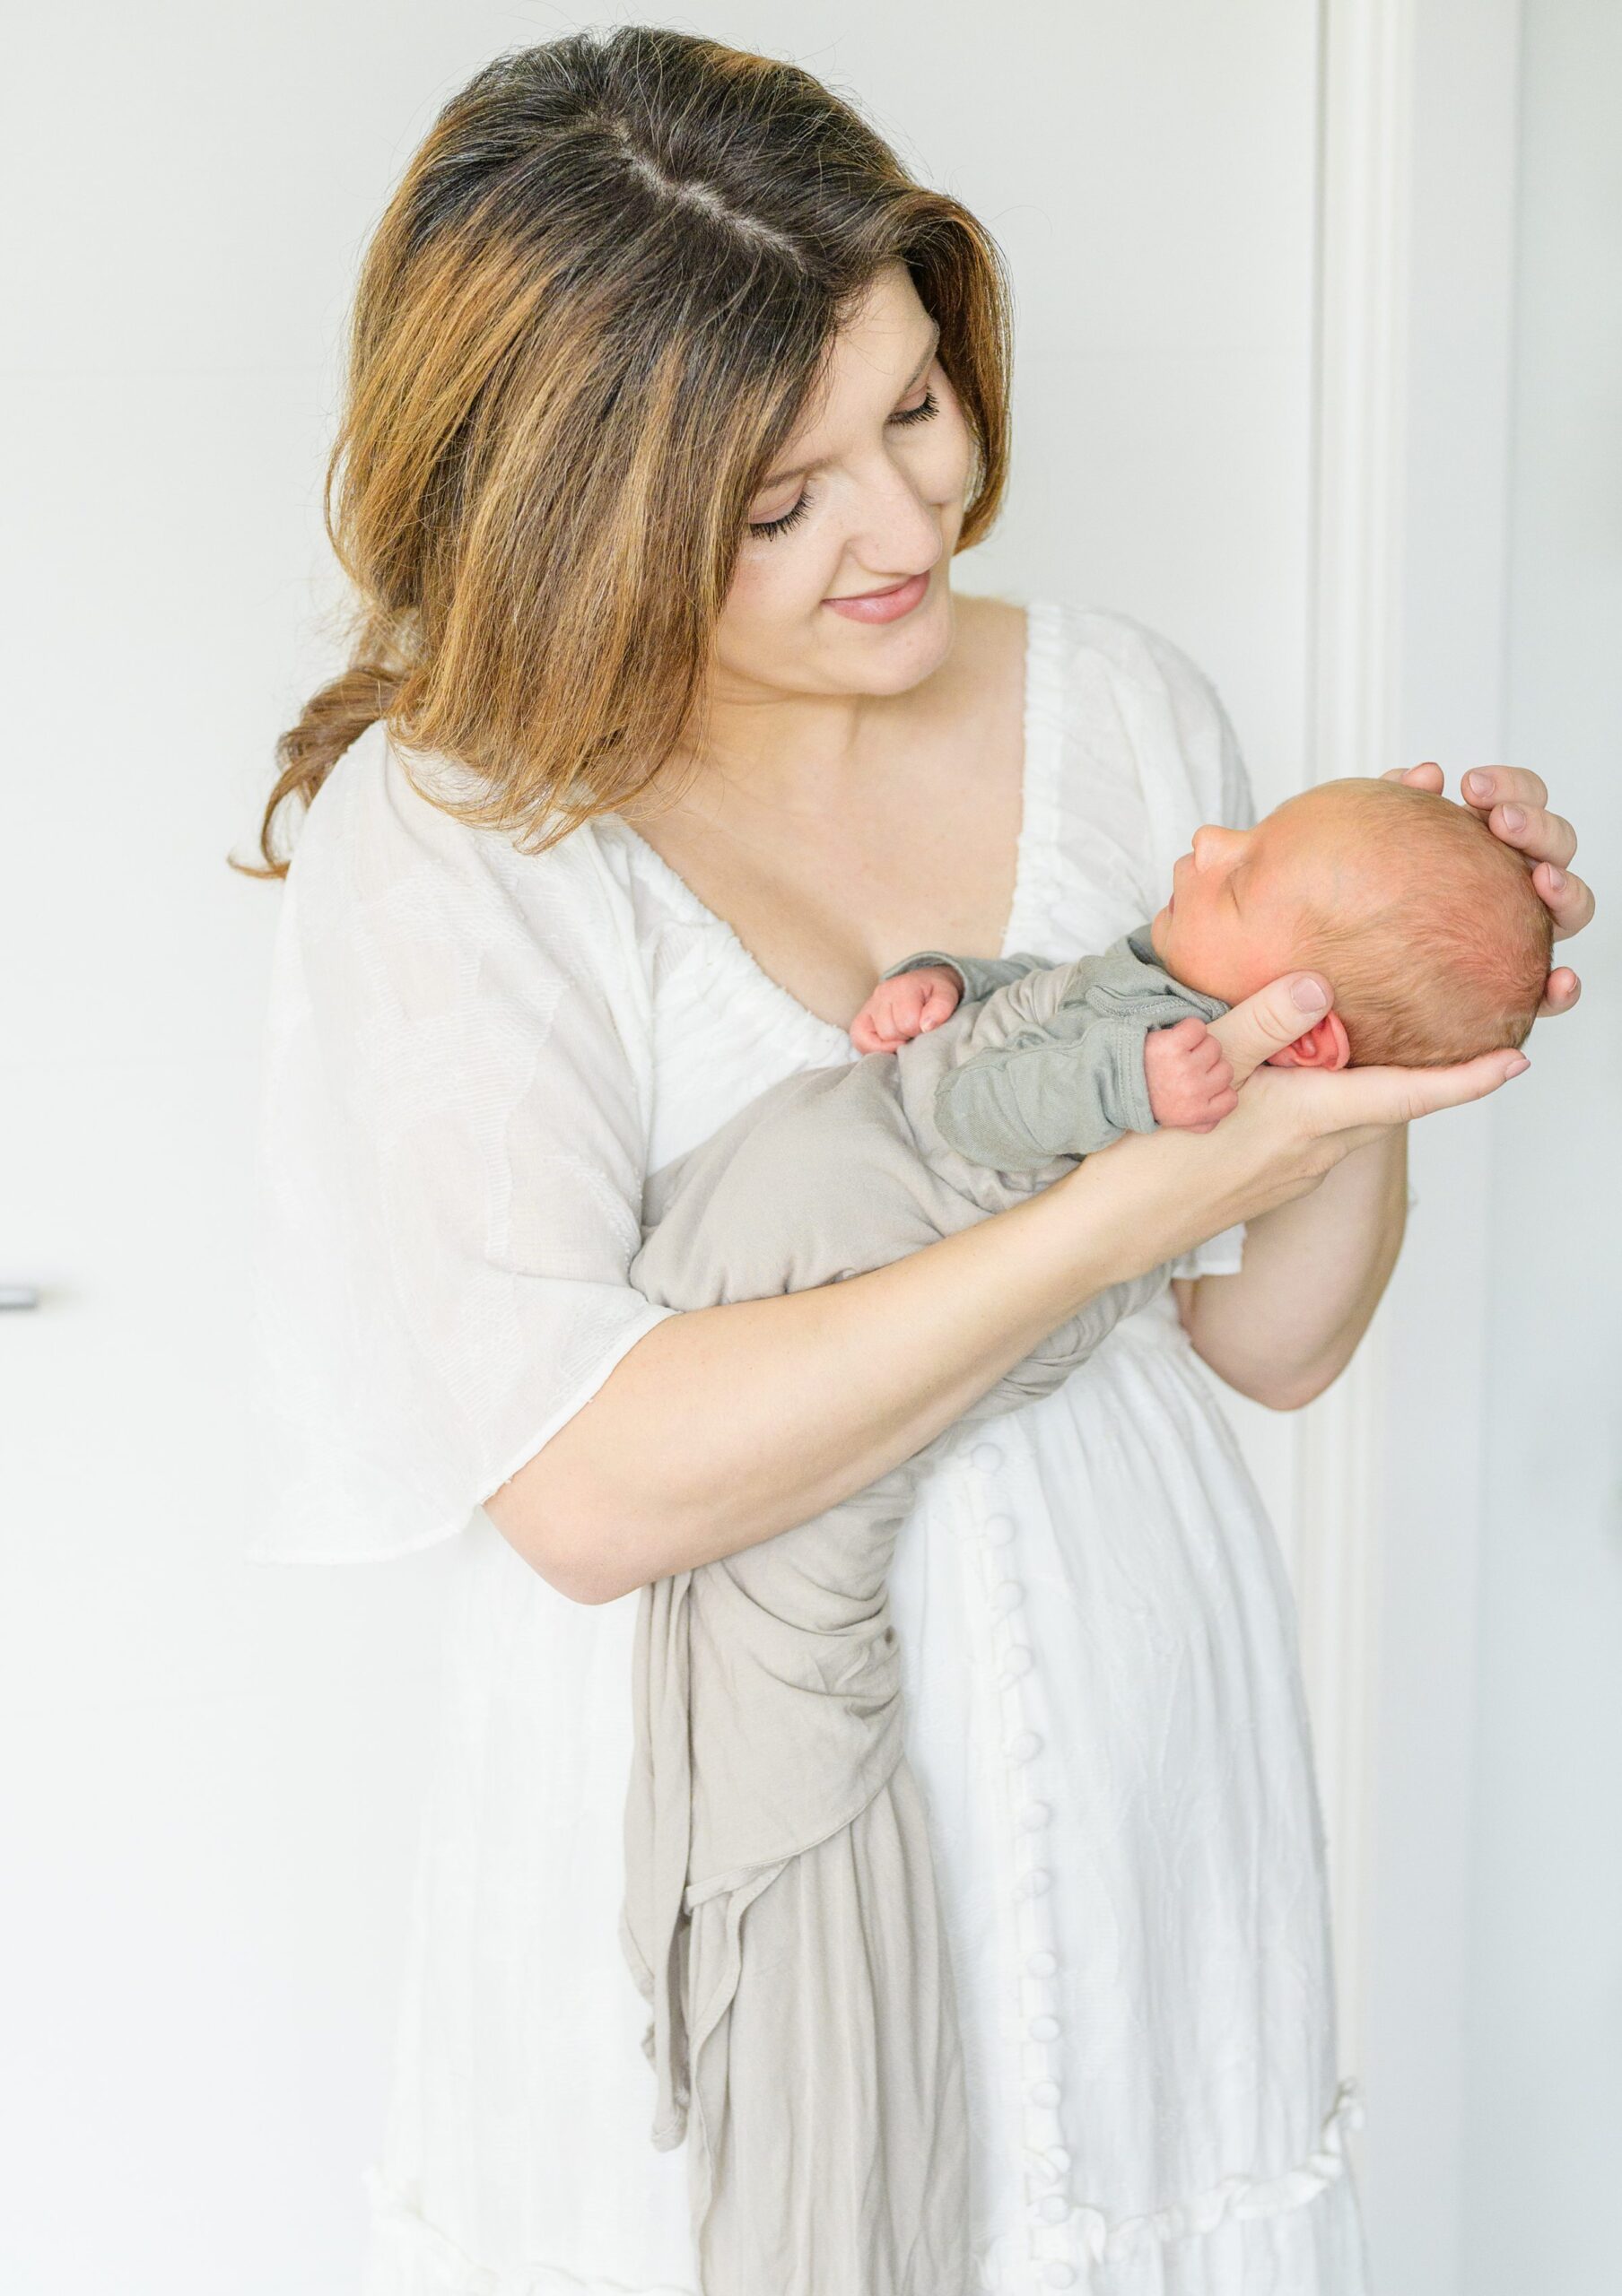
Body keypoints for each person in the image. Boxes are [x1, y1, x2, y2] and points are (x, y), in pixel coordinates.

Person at [237, 27, 1591, 2296]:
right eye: (775, 502)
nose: (903, 525)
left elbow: (1259, 1337)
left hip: (1146, 1741)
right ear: (578, 508)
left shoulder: (1126, 706)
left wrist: (1384, 1053)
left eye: (912, 405)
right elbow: (585, 1486)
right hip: (697, 1795)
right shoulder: (467, 830)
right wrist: (1105, 1214)